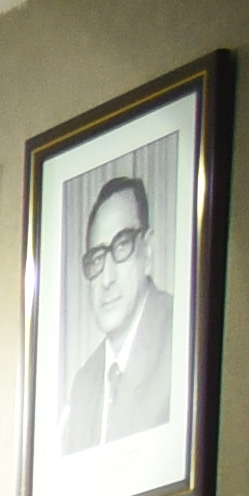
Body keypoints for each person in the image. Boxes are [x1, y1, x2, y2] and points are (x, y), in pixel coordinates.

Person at [65, 161, 176, 448]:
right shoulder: (84, 384)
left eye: (121, 246)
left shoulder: (181, 337)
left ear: (148, 251)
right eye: (97, 259)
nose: (106, 279)